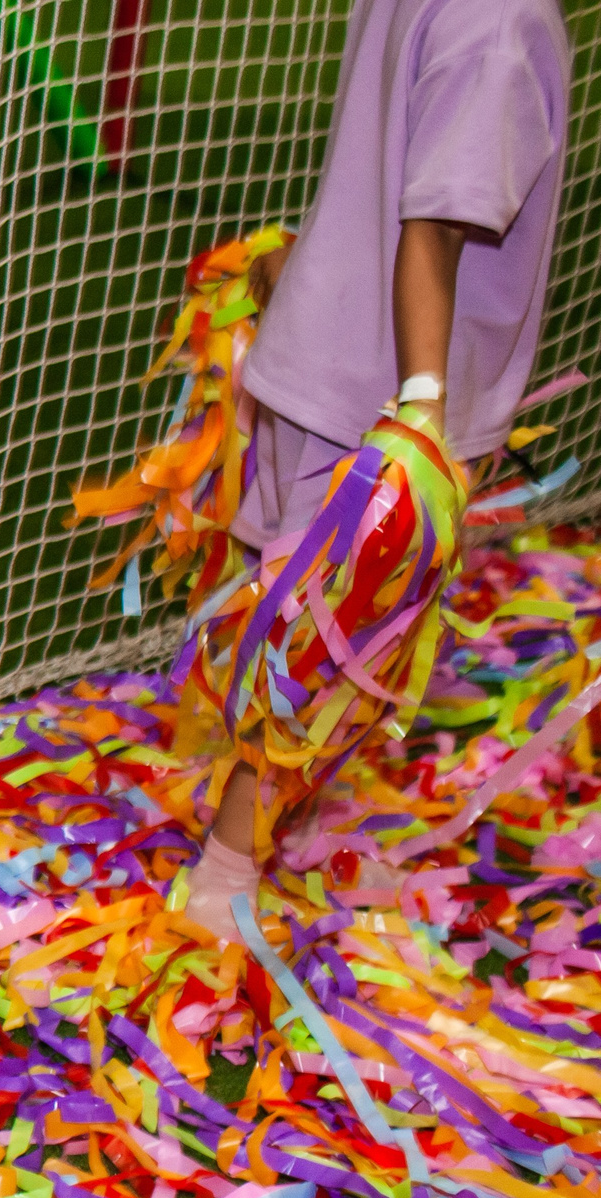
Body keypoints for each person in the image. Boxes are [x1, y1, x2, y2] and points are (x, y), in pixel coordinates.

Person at [171, 0, 570, 941]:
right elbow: (431, 231)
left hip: (320, 355)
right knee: (325, 647)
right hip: (378, 403)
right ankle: (225, 872)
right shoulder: (504, 26)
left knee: (295, 623)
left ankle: (265, 818)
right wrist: (420, 423)